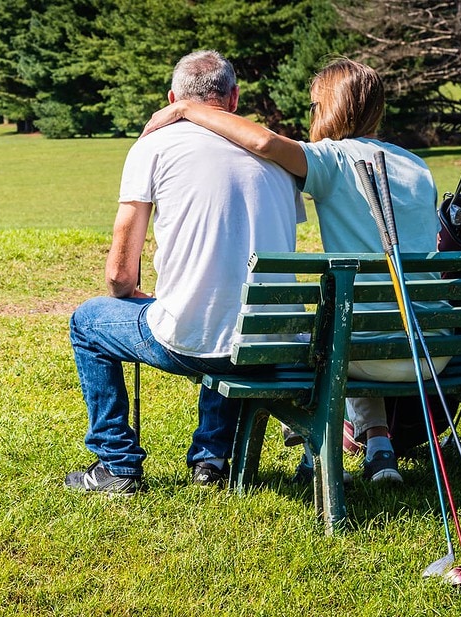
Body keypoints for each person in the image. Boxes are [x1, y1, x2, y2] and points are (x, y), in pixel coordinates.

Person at [142, 57, 449, 484]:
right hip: (433, 348)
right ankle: (379, 447)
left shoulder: (331, 161)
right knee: (358, 318)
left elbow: (266, 145)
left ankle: (316, 449)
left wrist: (188, 109)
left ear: (327, 110)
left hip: (366, 351)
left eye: (313, 107)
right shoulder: (417, 165)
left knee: (326, 330)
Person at [64, 50, 305, 495]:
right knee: (227, 310)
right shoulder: (280, 158)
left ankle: (116, 464)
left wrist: (134, 293)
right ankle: (211, 460)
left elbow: (119, 276)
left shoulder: (153, 145)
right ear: (233, 99)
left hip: (196, 341)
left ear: (173, 98)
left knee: (88, 322)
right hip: (270, 341)